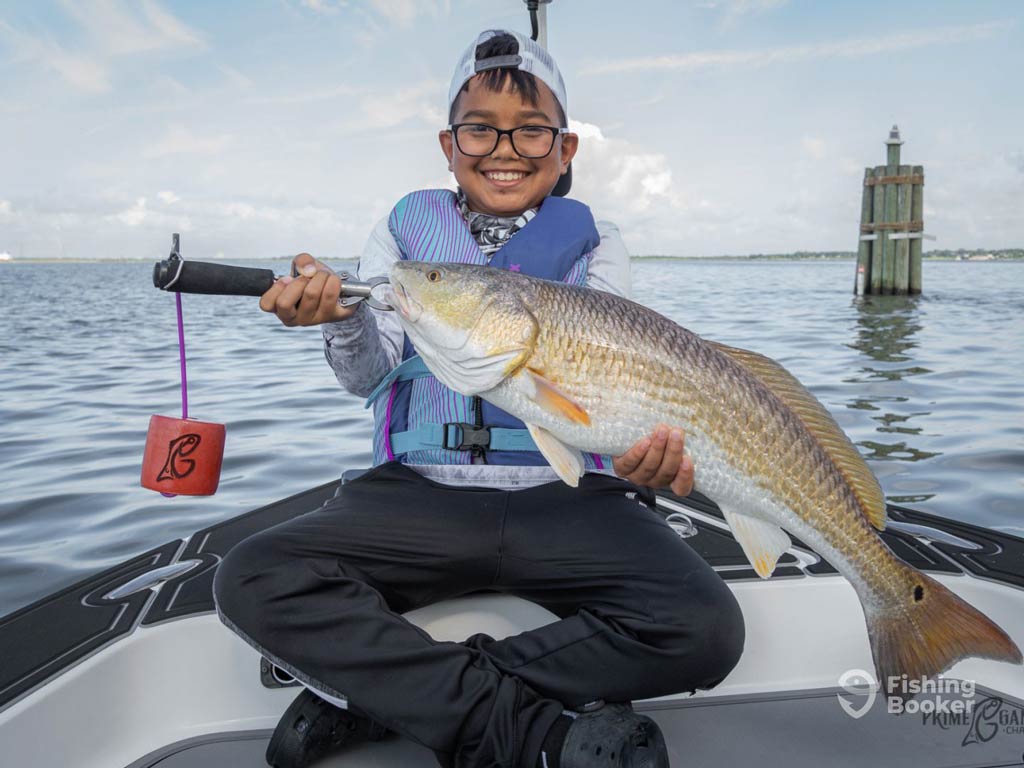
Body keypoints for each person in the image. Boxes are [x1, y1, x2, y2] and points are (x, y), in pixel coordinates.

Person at [213, 29, 744, 768]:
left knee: (707, 627)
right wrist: (344, 322)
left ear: (565, 150)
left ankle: (380, 697)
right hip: (417, 493)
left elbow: (609, 397)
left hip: (564, 496)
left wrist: (643, 460)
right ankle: (539, 737)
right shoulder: (401, 234)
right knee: (250, 574)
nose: (505, 148)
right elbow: (371, 376)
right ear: (448, 143)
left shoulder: (597, 241)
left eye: (532, 130)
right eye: (480, 129)